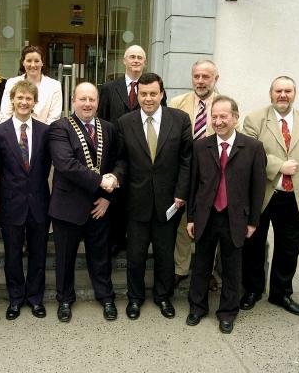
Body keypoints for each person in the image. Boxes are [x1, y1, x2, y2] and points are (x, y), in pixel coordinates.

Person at [113, 72, 192, 320]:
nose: (148, 98)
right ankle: (134, 298)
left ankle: (163, 297)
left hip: (169, 202)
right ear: (138, 95)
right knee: (135, 255)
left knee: (164, 254)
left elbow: (187, 161)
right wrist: (116, 179)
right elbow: (121, 159)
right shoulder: (125, 122)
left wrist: (181, 194)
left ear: (162, 94)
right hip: (135, 202)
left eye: (153, 94)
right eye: (143, 94)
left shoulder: (179, 119)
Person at [185, 95, 266, 334]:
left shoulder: (252, 148)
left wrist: (253, 222)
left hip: (235, 217)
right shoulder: (201, 146)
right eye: (214, 116)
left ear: (235, 117)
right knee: (201, 264)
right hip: (206, 216)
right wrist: (191, 217)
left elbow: (258, 188)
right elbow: (193, 186)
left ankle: (227, 312)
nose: (218, 121)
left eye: (223, 116)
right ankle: (197, 307)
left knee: (232, 268)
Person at [241, 76, 299, 315]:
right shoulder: (254, 119)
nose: (282, 95)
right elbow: (250, 153)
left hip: (295, 196)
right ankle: (252, 290)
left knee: (289, 249)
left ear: (294, 93)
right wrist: (278, 166)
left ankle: (281, 293)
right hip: (264, 193)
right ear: (270, 93)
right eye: (278, 91)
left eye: (287, 91)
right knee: (253, 245)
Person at [48, 82, 119, 323]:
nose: (87, 104)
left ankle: (106, 297)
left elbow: (119, 162)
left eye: (92, 99)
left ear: (98, 102)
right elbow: (66, 164)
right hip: (68, 207)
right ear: (73, 101)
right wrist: (102, 182)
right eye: (83, 99)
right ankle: (65, 300)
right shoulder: (59, 128)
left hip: (100, 206)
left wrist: (108, 196)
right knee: (65, 258)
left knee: (101, 257)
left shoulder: (108, 128)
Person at [0, 81, 51, 320]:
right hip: (11, 203)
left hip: (39, 203)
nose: (24, 102)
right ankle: (15, 299)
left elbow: (45, 167)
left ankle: (35, 299)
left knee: (38, 254)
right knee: (12, 255)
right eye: (20, 98)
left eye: (29, 98)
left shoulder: (46, 131)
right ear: (12, 100)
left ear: (35, 102)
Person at [97, 45, 161, 256]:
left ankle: (133, 240)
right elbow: (102, 120)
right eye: (132, 57)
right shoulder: (108, 88)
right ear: (124, 61)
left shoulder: (153, 89)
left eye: (140, 58)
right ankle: (115, 241)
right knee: (116, 198)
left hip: (144, 157)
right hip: (117, 154)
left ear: (145, 62)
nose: (136, 60)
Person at [169, 59, 226, 290]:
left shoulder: (224, 105)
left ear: (215, 79)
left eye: (206, 76)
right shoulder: (176, 103)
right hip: (183, 172)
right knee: (183, 223)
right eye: (196, 76)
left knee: (210, 225)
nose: (200, 81)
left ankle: (208, 271)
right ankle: (181, 268)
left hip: (213, 176)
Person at [0, 45, 62, 124]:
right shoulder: (11, 83)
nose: (33, 65)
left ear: (42, 63)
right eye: (29, 61)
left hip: (43, 134)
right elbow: (5, 115)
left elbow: (54, 119)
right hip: (13, 133)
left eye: (36, 61)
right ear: (23, 63)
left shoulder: (54, 86)